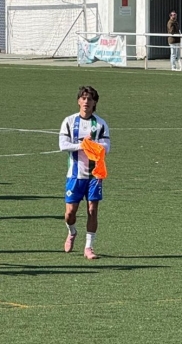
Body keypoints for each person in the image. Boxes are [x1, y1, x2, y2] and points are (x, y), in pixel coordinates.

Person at [59, 86, 110, 260]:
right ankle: (72, 231)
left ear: (95, 102)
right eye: (83, 98)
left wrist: (91, 145)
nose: (86, 101)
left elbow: (106, 147)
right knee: (70, 213)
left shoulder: (100, 124)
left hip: (95, 175)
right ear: (78, 101)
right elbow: (63, 145)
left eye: (90, 99)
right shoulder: (69, 121)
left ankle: (89, 247)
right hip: (75, 175)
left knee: (92, 209)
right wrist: (82, 145)